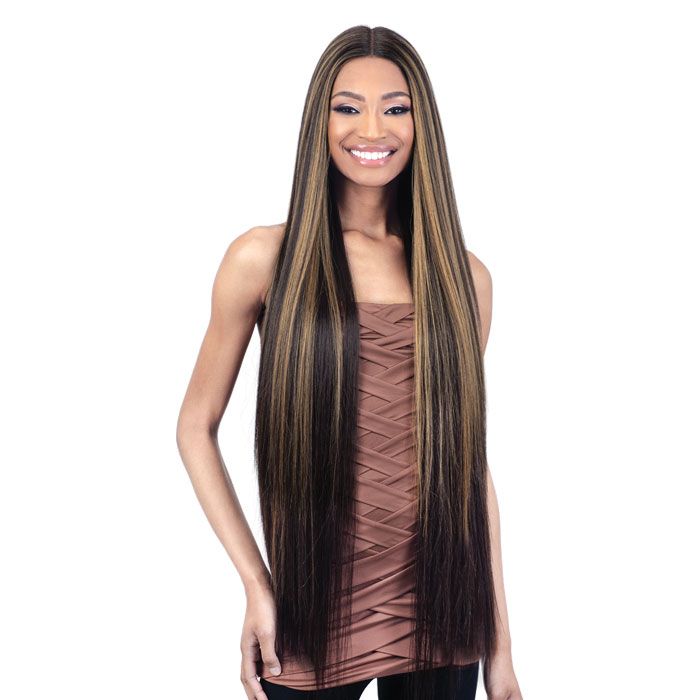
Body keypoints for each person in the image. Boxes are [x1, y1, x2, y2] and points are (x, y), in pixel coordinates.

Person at [176, 25, 523, 700]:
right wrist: (256, 584)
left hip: (445, 612)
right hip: (312, 610)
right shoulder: (263, 258)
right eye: (347, 107)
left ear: (421, 124)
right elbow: (195, 426)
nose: (372, 128)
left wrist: (501, 645)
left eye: (395, 107)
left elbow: (467, 465)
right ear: (320, 121)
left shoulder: (465, 280)